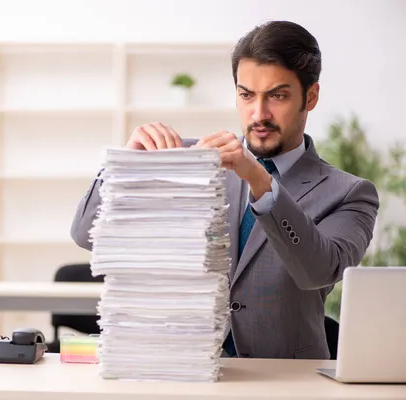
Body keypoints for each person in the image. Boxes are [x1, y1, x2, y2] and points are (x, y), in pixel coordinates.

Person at [69, 20, 380, 359]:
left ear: (311, 96)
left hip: (286, 380)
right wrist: (125, 167)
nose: (258, 114)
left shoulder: (350, 193)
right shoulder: (189, 161)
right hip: (184, 369)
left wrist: (261, 182)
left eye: (277, 96)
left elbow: (319, 270)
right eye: (247, 95)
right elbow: (87, 234)